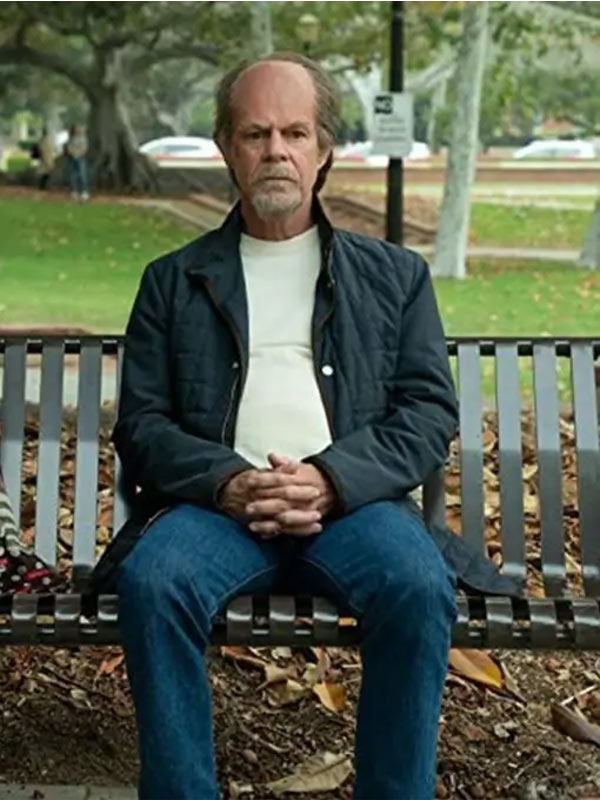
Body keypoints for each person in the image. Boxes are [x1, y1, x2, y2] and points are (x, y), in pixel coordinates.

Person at [91, 52, 519, 800]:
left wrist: (329, 479)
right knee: (155, 581)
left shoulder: (396, 278)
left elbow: (426, 413)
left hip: (355, 513)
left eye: (295, 132)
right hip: (215, 514)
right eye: (255, 133)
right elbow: (144, 424)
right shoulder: (172, 280)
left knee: (417, 585)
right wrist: (229, 483)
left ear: (325, 150)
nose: (276, 150)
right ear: (227, 148)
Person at [65, 124, 89, 201]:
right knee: (73, 176)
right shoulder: (71, 138)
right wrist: (73, 153)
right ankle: (74, 191)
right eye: (76, 129)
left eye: (78, 129)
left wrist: (78, 154)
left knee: (82, 175)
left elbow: (84, 148)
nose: (77, 130)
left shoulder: (83, 138)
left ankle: (84, 192)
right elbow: (69, 147)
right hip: (72, 158)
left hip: (81, 158)